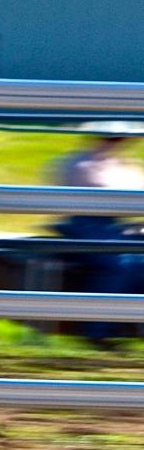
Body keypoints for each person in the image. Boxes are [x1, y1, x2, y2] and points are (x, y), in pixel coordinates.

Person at [53, 121, 144, 340]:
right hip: (85, 226)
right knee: (119, 263)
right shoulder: (80, 164)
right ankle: (97, 330)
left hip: (111, 227)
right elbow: (106, 193)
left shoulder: (115, 164)